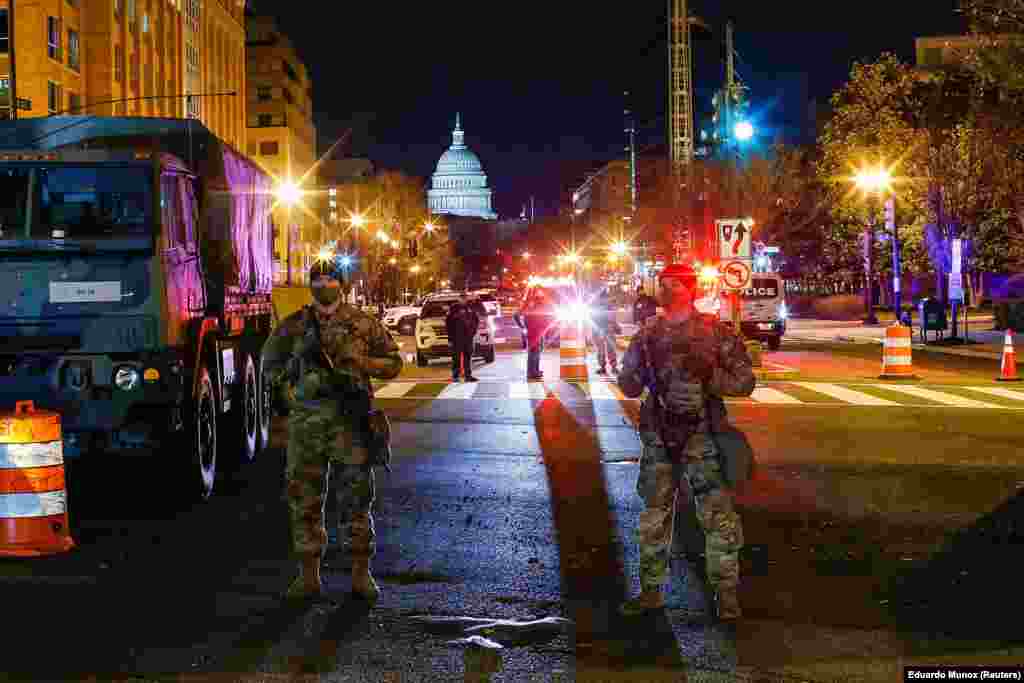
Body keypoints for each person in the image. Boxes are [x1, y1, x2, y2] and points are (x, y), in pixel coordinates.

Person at [617, 263, 756, 621]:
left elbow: (744, 382)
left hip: (702, 437)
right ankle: (651, 591)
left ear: (689, 288)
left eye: (672, 283)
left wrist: (709, 373)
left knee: (717, 517)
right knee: (653, 515)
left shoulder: (713, 333)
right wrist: (635, 374)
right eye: (662, 283)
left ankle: (726, 596)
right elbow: (628, 385)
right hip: (659, 437)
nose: (664, 288)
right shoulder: (648, 333)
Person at [261, 258, 403, 603]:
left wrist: (363, 364)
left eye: (330, 278)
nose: (323, 284)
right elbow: (269, 366)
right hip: (306, 426)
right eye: (318, 278)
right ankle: (308, 576)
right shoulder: (295, 326)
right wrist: (288, 382)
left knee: (356, 500)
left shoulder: (362, 323)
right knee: (304, 500)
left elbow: (394, 363)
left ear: (341, 284)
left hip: (350, 425)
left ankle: (360, 574)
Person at [446, 294, 479, 382]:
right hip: (457, 337)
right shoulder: (454, 308)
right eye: (462, 298)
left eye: (465, 298)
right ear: (459, 299)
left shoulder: (471, 307)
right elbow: (448, 323)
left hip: (468, 337)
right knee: (456, 357)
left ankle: (468, 376)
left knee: (468, 357)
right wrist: (450, 338)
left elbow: (476, 320)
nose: (464, 300)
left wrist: (473, 332)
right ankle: (455, 376)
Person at [523, 288, 553, 380]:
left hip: (536, 332)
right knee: (534, 353)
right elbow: (542, 319)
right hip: (535, 332)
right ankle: (533, 372)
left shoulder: (532, 307)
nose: (542, 300)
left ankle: (535, 371)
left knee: (536, 352)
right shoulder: (535, 307)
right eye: (540, 298)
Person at [591, 288, 621, 376]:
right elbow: (612, 316)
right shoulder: (608, 304)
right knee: (610, 348)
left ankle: (603, 367)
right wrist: (615, 326)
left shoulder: (594, 303)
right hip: (607, 328)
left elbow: (592, 316)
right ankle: (613, 367)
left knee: (601, 349)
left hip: (598, 328)